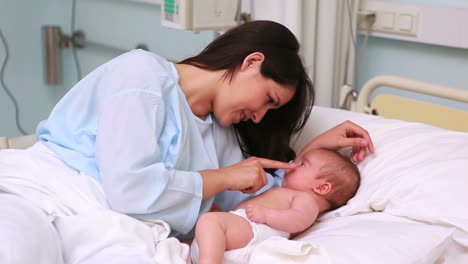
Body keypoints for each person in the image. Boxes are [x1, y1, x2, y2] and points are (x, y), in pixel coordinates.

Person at [0, 20, 374, 263]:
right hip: (46, 192)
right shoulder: (141, 73)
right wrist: (225, 177)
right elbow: (130, 188)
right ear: (250, 63)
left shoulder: (221, 136)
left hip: (105, 222)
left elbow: (254, 202)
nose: (260, 117)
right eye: (268, 100)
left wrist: (312, 156)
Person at [190, 148, 361, 264]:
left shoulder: (306, 200)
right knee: (199, 232)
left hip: (255, 230)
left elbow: (299, 220)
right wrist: (228, 216)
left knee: (209, 221)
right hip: (240, 232)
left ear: (322, 187)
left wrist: (267, 215)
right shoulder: (288, 193)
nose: (293, 165)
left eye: (302, 164)